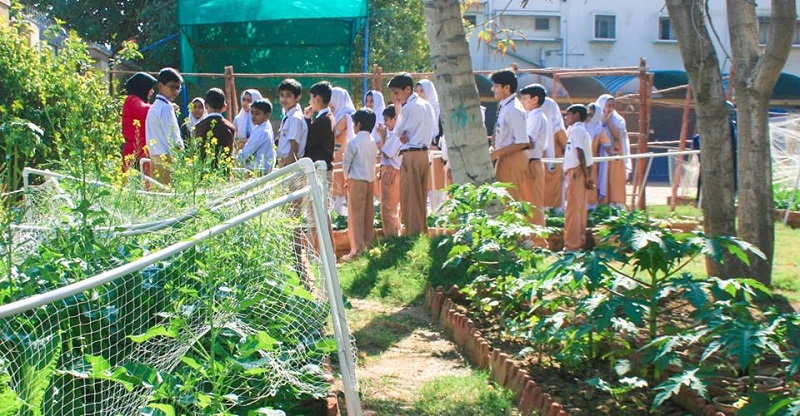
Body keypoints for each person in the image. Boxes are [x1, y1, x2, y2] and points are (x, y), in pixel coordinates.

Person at [388, 73, 436, 236]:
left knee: (410, 197)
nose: (395, 97)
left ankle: (412, 235)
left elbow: (398, 132)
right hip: (424, 153)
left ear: (408, 89)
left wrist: (405, 135)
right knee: (421, 196)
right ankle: (422, 231)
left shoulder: (408, 107)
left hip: (411, 153)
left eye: (397, 92)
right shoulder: (427, 105)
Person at [489, 68, 532, 203]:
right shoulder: (505, 106)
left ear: (506, 88)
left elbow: (522, 142)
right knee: (503, 200)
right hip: (504, 157)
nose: (492, 89)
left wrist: (496, 153)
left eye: (496, 86)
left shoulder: (514, 109)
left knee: (511, 200)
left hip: (513, 159)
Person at [342, 108, 379, 260]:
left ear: (358, 124)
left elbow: (346, 163)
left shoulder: (353, 143)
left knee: (355, 217)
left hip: (356, 181)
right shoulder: (372, 143)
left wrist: (346, 178)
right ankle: (368, 245)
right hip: (370, 181)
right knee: (368, 215)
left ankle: (356, 251)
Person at [518, 83, 550, 247]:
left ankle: (538, 241)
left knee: (533, 203)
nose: (522, 101)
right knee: (526, 202)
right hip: (527, 163)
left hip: (532, 163)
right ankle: (529, 238)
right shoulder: (531, 116)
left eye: (524, 98)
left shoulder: (537, 117)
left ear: (535, 99)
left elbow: (527, 140)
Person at [145, 67, 184, 185]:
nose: (175, 91)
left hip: (154, 157)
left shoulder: (154, 107)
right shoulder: (166, 107)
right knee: (169, 196)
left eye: (178, 88)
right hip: (167, 158)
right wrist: (183, 157)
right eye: (172, 87)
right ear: (161, 86)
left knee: (159, 196)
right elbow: (174, 138)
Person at [563, 104, 594, 251]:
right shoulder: (580, 130)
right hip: (581, 171)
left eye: (568, 114)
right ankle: (579, 242)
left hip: (576, 172)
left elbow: (579, 152)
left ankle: (572, 244)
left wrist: (586, 175)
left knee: (573, 210)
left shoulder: (576, 130)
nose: (566, 117)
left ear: (576, 115)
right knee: (579, 210)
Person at [415, 79, 447, 212]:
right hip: (425, 155)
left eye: (422, 91)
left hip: (439, 157)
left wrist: (434, 147)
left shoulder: (439, 111)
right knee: (429, 191)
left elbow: (443, 135)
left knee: (440, 192)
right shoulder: (418, 110)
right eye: (416, 91)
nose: (419, 94)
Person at [597, 94, 631, 208]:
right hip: (599, 153)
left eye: (612, 105)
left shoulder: (618, 120)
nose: (610, 107)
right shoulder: (595, 118)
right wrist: (603, 119)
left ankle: (616, 203)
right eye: (608, 105)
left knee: (614, 178)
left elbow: (617, 136)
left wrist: (609, 120)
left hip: (615, 152)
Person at [375, 104, 402, 237]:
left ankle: (392, 238)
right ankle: (396, 235)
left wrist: (382, 137)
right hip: (395, 171)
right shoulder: (394, 133)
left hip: (391, 172)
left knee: (388, 209)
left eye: (387, 119)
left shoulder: (397, 132)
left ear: (394, 118)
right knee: (394, 208)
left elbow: (387, 152)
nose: (385, 123)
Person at [121, 72, 156, 174]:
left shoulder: (136, 100)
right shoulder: (132, 100)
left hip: (140, 150)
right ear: (143, 87)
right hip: (134, 151)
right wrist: (161, 107)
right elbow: (143, 109)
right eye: (150, 88)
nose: (152, 91)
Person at [193, 87, 236, 169]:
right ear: (224, 106)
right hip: (224, 171)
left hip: (204, 171)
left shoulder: (198, 127)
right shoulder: (231, 127)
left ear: (205, 105)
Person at [330, 87, 356, 215]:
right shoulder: (337, 114)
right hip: (336, 150)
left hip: (342, 151)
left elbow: (334, 132)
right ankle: (338, 212)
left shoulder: (346, 115)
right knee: (337, 180)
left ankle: (340, 213)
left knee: (340, 180)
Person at [304, 81, 336, 185]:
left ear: (317, 98)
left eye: (311, 98)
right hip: (322, 168)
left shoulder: (324, 120)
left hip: (320, 170)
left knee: (317, 200)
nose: (310, 102)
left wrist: (307, 120)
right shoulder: (327, 117)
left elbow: (308, 140)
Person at [584, 102, 613, 208]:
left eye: (591, 115)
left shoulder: (599, 130)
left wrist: (613, 155)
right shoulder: (578, 126)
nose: (588, 117)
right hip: (577, 161)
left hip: (592, 162)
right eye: (587, 114)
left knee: (590, 182)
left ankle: (590, 207)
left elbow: (607, 145)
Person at [237, 98, 275, 175]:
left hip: (257, 172)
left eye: (257, 114)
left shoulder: (261, 131)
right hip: (262, 169)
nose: (253, 116)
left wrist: (235, 159)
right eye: (252, 113)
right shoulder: (265, 127)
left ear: (267, 115)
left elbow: (246, 153)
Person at [542, 96, 567, 211]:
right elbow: (566, 144)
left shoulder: (534, 122)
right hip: (553, 162)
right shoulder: (558, 128)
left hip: (548, 162)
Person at [277, 78, 308, 168]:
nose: (284, 99)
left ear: (297, 97)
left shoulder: (295, 118)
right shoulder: (288, 116)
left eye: (288, 96)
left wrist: (289, 169)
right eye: (282, 95)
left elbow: (294, 147)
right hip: (283, 163)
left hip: (290, 165)